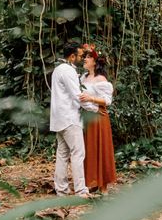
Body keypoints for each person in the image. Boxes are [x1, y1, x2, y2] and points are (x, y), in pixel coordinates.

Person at [50, 42, 89, 197]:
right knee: (78, 153)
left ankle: (61, 190)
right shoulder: (67, 71)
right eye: (80, 55)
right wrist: (94, 107)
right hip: (69, 118)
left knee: (62, 154)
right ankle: (80, 190)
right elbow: (77, 95)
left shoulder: (58, 70)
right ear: (72, 56)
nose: (82, 58)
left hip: (59, 119)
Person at [79, 45, 116, 194]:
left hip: (99, 116)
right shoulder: (83, 77)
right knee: (89, 150)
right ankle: (92, 181)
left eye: (88, 57)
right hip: (86, 117)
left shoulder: (101, 79)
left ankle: (103, 186)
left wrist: (90, 98)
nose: (85, 59)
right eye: (84, 57)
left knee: (101, 148)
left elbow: (107, 100)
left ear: (95, 61)